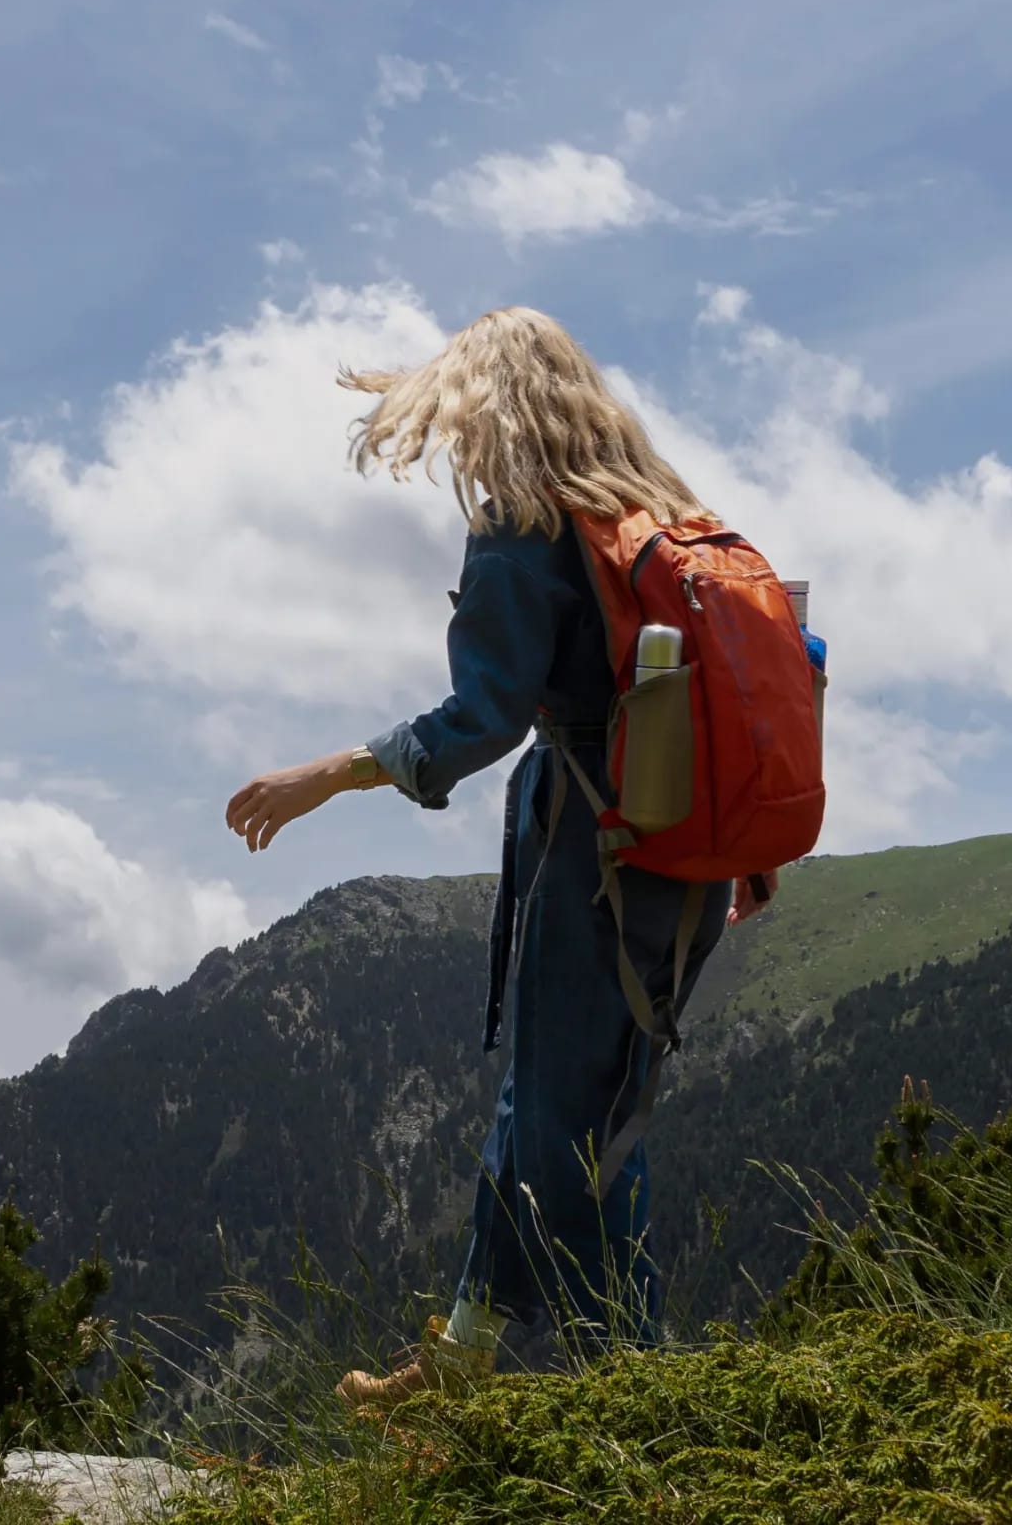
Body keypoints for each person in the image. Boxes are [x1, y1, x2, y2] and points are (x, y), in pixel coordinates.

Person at [222, 306, 760, 1412]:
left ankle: (641, 1395)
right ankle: (463, 1361)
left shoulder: (526, 523)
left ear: (484, 407)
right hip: (691, 857)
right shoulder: (659, 511)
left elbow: (486, 714)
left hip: (597, 848)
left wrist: (328, 774)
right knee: (571, 1109)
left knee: (567, 1127)